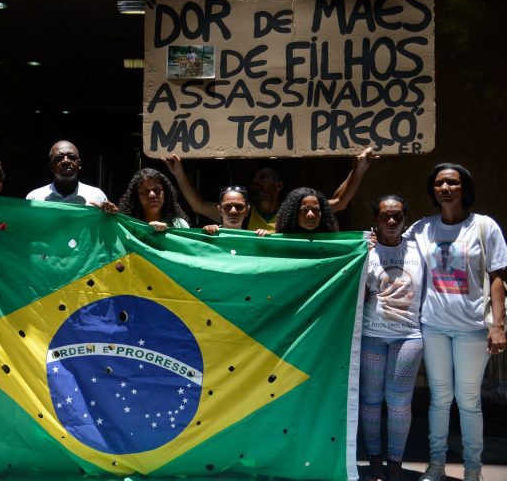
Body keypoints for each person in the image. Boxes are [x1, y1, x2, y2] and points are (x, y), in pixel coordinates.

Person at [408, 163, 507, 481]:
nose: (445, 188)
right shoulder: (422, 228)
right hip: (433, 325)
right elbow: (391, 246)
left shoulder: (484, 226)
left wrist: (498, 325)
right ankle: (436, 465)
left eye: (452, 182)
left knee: (468, 400)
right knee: (439, 398)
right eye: (439, 183)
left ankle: (473, 470)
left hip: (472, 329)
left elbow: (497, 278)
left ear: (465, 187)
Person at [360, 195, 424, 481]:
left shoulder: (420, 249)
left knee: (399, 403)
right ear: (376, 219)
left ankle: (395, 462)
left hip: (408, 337)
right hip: (371, 335)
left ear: (405, 218)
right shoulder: (365, 251)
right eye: (385, 215)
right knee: (371, 401)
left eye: (397, 215)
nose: (391, 221)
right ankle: (374, 459)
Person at [163, 147, 377, 231]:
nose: (257, 183)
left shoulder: (295, 211)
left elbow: (339, 202)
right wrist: (178, 172)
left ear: (279, 185)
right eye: (255, 179)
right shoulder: (242, 211)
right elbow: (198, 205)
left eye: (263, 178)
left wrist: (358, 170)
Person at [26, 140, 107, 205]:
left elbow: (105, 225)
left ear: (79, 164)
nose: (66, 161)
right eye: (59, 158)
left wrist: (110, 216)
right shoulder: (35, 198)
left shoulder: (96, 196)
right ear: (50, 167)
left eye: (72, 157)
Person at [114, 168, 189, 231]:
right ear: (136, 197)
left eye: (157, 190)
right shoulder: (127, 226)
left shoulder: (179, 224)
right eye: (145, 191)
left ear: (166, 193)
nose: (152, 195)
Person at [274, 187, 339, 233]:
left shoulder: (332, 242)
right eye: (304, 210)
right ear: (293, 215)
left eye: (316, 210)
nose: (311, 214)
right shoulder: (281, 242)